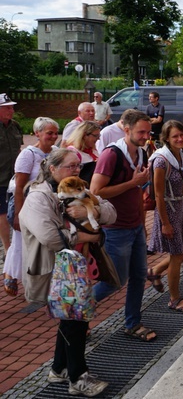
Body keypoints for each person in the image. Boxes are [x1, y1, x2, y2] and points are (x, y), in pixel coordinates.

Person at [20, 148, 115, 397]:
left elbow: (110, 212)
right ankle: (78, 378)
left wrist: (89, 212)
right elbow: (51, 237)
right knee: (75, 321)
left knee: (71, 319)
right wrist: (90, 234)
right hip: (54, 269)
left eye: (78, 166)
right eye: (70, 166)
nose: (77, 171)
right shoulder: (38, 197)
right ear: (52, 169)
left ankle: (59, 369)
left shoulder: (77, 187)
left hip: (77, 266)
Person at [90, 109, 157, 342]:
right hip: (115, 228)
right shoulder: (112, 155)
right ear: (126, 129)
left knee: (139, 277)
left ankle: (132, 323)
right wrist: (132, 183)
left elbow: (138, 191)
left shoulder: (141, 153)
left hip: (134, 226)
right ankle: (78, 310)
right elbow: (96, 191)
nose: (145, 136)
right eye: (141, 132)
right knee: (114, 281)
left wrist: (142, 223)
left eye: (148, 132)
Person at [146, 120, 183, 313]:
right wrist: (165, 223)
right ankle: (175, 298)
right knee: (176, 256)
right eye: (175, 136)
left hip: (180, 208)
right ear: (166, 138)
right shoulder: (161, 160)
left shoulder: (180, 154)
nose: (179, 138)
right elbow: (158, 194)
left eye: (182, 135)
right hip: (168, 210)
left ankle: (155, 271)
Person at [4, 117, 59, 297]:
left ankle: (42, 280)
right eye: (49, 133)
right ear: (37, 133)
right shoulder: (28, 154)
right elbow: (19, 187)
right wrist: (19, 214)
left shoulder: (57, 152)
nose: (53, 136)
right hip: (27, 204)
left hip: (48, 205)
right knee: (20, 242)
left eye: (55, 133)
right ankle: (11, 273)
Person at [0, 93, 22, 258]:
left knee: (16, 211)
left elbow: (19, 150)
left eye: (12, 107)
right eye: (7, 107)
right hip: (0, 178)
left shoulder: (15, 126)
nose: (11, 110)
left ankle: (18, 244)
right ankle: (7, 248)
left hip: (15, 178)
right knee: (2, 213)